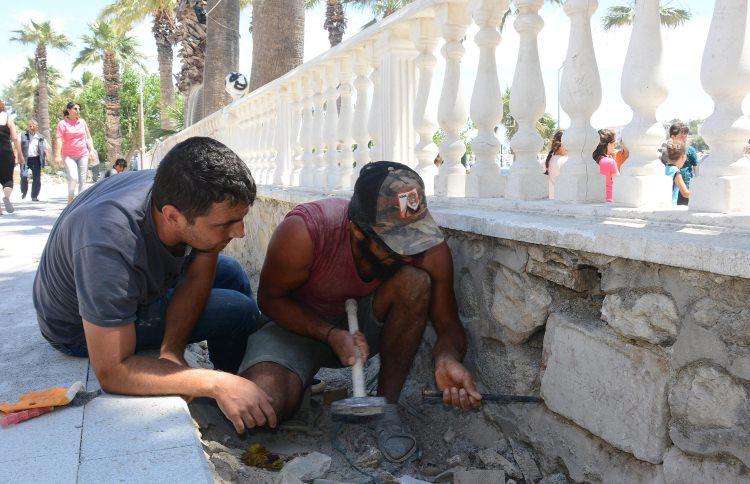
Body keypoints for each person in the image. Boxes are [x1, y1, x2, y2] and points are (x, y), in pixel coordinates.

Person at [239, 161, 481, 463]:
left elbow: (448, 327)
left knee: (414, 281)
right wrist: (329, 334)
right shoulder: (306, 231)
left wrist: (446, 358)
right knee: (261, 408)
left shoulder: (429, 250)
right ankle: (294, 383)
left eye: (415, 238)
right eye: (396, 244)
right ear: (357, 231)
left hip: (366, 329)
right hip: (297, 327)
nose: (410, 253)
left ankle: (386, 407)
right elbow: (270, 300)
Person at [33, 136, 277, 432]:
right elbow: (113, 371)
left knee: (233, 273)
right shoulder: (107, 241)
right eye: (225, 224)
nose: (240, 232)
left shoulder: (183, 190)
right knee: (237, 310)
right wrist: (213, 383)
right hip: (76, 328)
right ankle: (233, 396)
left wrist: (171, 351)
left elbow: (199, 273)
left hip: (133, 281)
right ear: (172, 216)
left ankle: (246, 385)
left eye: (240, 219)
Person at [55, 102, 97, 204]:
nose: (78, 111)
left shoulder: (82, 122)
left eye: (79, 109)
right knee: (73, 178)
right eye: (75, 109)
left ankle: (80, 203)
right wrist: (57, 155)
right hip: (68, 155)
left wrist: (91, 149)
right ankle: (70, 198)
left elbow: (88, 137)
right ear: (69, 110)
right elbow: (59, 139)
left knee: (83, 180)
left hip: (83, 153)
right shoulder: (62, 124)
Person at [660, 122, 699, 205]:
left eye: (686, 136)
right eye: (681, 136)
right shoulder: (667, 152)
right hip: (675, 188)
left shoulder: (690, 150)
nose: (684, 138)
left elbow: (696, 167)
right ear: (673, 137)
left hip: (686, 185)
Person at [0, 99, 24, 214]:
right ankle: (6, 198)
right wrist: (20, 154)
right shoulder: (7, 117)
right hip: (5, 151)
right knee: (8, 179)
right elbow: (15, 137)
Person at [20, 119, 52, 201]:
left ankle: (34, 196)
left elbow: (46, 148)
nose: (32, 127)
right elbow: (16, 145)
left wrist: (48, 157)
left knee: (37, 178)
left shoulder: (40, 137)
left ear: (37, 127)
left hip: (36, 159)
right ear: (28, 126)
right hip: (25, 159)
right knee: (23, 176)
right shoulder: (22, 135)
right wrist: (17, 156)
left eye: (34, 126)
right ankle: (24, 191)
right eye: (30, 126)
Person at [593, 129, 619, 203]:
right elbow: (616, 182)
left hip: (594, 198)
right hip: (610, 199)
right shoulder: (610, 162)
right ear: (608, 144)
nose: (614, 146)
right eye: (613, 143)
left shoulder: (591, 160)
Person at [665, 140, 689, 205]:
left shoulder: (663, 169)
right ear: (683, 157)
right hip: (670, 207)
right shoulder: (676, 172)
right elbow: (685, 193)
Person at [544, 130, 567, 199]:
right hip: (563, 200)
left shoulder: (546, 161)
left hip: (550, 200)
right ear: (560, 145)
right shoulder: (564, 161)